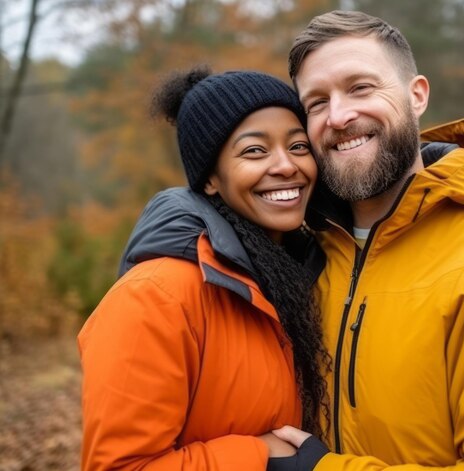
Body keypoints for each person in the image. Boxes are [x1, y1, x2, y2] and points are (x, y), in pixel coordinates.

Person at [270, 10, 464, 471]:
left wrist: (320, 469)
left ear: (416, 95)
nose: (338, 116)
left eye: (360, 88)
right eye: (316, 102)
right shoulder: (305, 256)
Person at [78, 67, 331, 470]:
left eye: (299, 146)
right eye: (254, 151)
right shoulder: (156, 295)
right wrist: (261, 457)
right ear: (211, 178)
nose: (286, 165)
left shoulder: (298, 280)